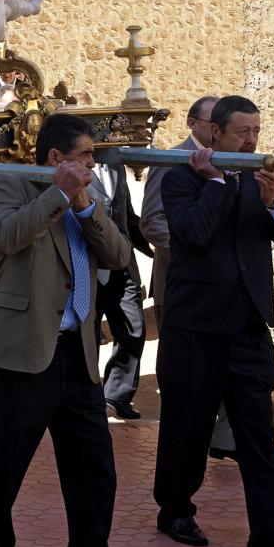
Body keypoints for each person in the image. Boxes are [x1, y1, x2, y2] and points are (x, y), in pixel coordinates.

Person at [0, 114, 150, 547]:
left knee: (94, 470)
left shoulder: (90, 197)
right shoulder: (11, 183)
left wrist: (85, 204)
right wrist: (56, 195)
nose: (95, 163)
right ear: (56, 158)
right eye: (87, 155)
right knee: (3, 465)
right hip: (21, 354)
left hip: (79, 356)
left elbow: (118, 254)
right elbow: (5, 237)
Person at [153, 95, 274, 547]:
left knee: (258, 433)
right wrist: (215, 183)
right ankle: (175, 510)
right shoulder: (181, 178)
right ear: (215, 133)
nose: (252, 139)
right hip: (196, 327)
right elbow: (191, 235)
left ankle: (270, 529)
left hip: (248, 327)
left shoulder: (261, 180)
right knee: (188, 427)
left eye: (256, 130)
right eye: (243, 131)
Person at [140, 95, 236, 459]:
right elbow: (151, 221)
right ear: (192, 123)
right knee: (184, 378)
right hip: (179, 282)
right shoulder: (171, 160)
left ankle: (224, 440)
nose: (215, 128)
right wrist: (194, 251)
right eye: (211, 121)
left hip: (226, 288)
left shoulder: (233, 160)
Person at [88, 161, 154, 419]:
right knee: (88, 334)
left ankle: (116, 396)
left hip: (123, 265)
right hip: (90, 266)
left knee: (133, 329)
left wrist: (151, 246)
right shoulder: (73, 165)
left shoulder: (116, 165)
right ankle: (88, 396)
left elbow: (127, 217)